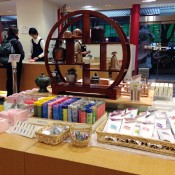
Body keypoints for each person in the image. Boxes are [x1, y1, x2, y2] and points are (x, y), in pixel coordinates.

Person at [5, 27, 25, 96]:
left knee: (9, 80)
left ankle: (9, 96)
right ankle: (16, 96)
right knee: (16, 80)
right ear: (15, 33)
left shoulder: (5, 41)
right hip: (17, 65)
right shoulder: (16, 42)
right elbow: (22, 55)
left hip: (8, 64)